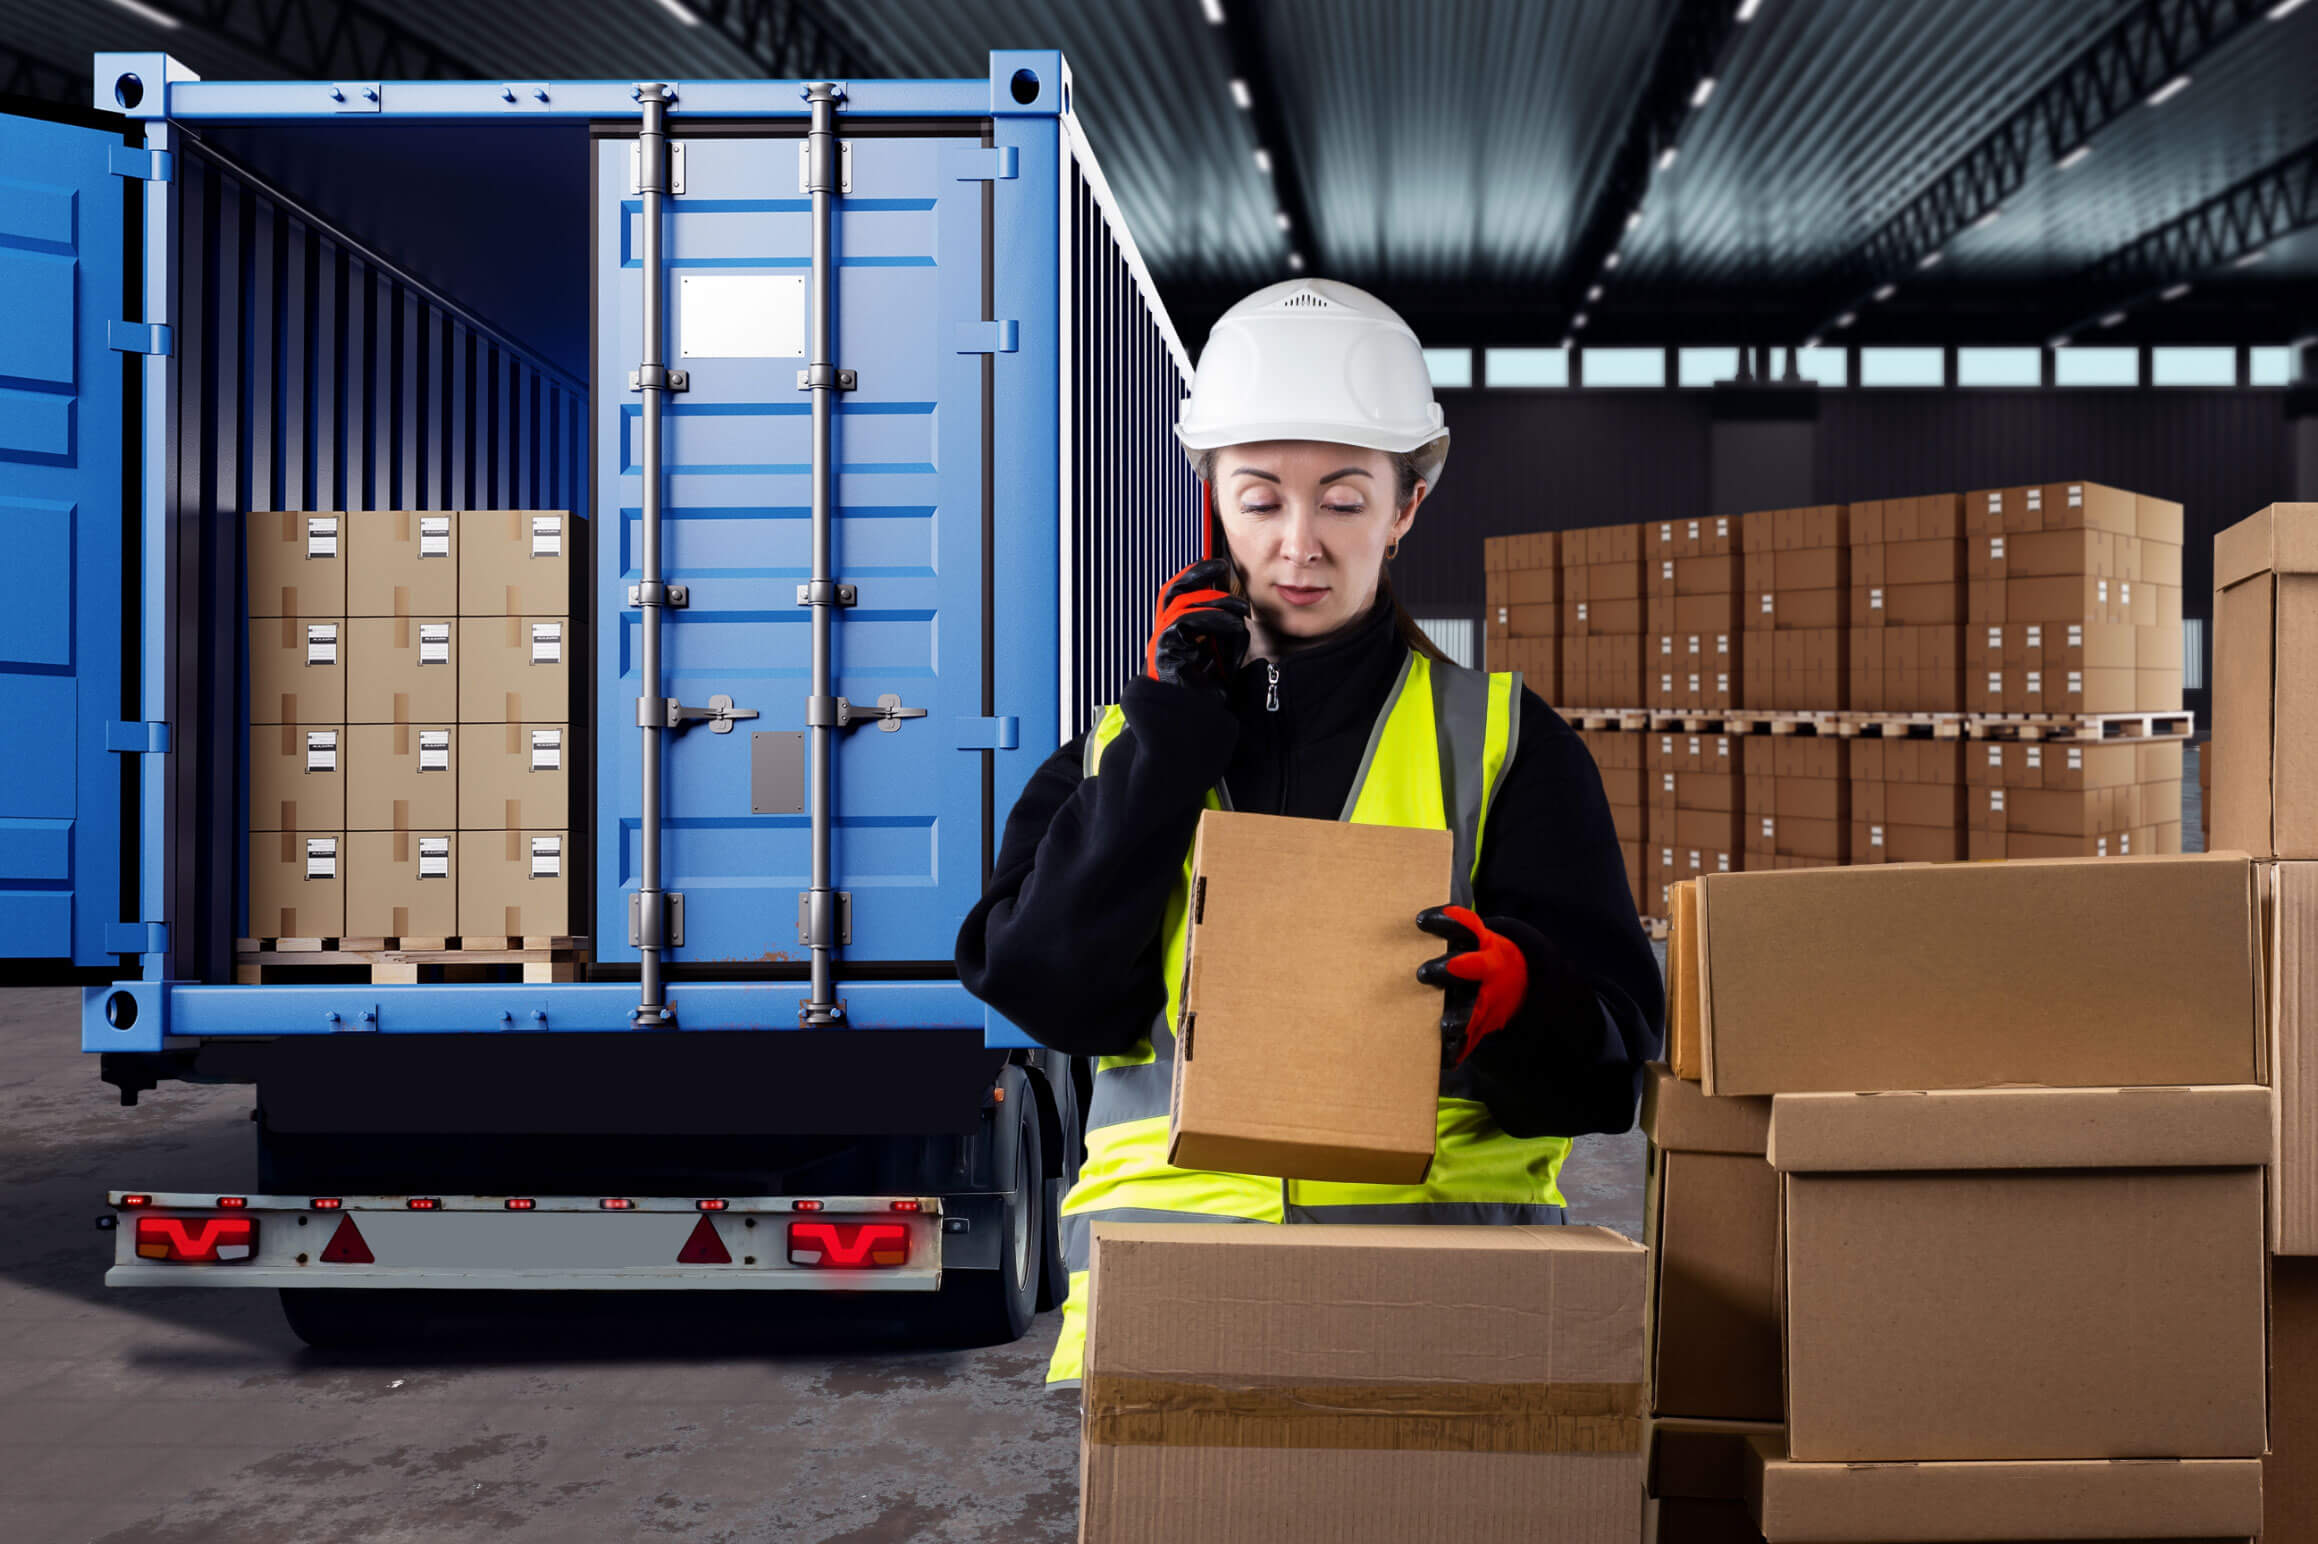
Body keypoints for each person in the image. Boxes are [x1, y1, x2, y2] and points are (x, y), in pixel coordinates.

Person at [955, 278, 1664, 1386]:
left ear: (1403, 507)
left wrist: (1523, 997)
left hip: (1439, 1317)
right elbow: (1044, 988)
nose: (1298, 544)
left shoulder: (1505, 744)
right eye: (1259, 498)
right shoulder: (1117, 753)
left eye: (1341, 498)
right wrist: (1173, 742)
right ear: (1213, 503)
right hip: (1179, 1320)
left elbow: (1616, 1069)